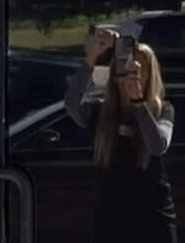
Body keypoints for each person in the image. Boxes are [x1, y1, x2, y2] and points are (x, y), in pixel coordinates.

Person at [66, 27, 176, 243]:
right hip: (111, 220)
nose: (129, 76)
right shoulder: (101, 112)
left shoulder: (162, 110)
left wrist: (138, 103)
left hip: (152, 221)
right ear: (115, 76)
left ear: (149, 75)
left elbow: (157, 145)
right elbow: (71, 105)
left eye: (137, 70)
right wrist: (92, 56)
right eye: (123, 69)